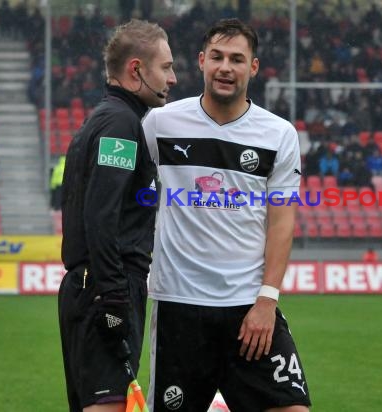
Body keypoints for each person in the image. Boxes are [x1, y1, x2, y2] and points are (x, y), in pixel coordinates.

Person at [142, 18, 311, 411]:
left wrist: (267, 300)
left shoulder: (278, 134)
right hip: (179, 306)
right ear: (201, 61)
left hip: (248, 307)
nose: (225, 67)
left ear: (253, 68)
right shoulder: (160, 124)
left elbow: (282, 221)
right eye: (216, 57)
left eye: (237, 59)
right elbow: (131, 193)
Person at [58, 19, 176, 412]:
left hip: (88, 286)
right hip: (105, 286)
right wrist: (113, 297)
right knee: (107, 405)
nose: (173, 78)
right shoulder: (122, 126)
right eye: (165, 66)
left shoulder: (103, 119)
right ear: (136, 69)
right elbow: (100, 213)